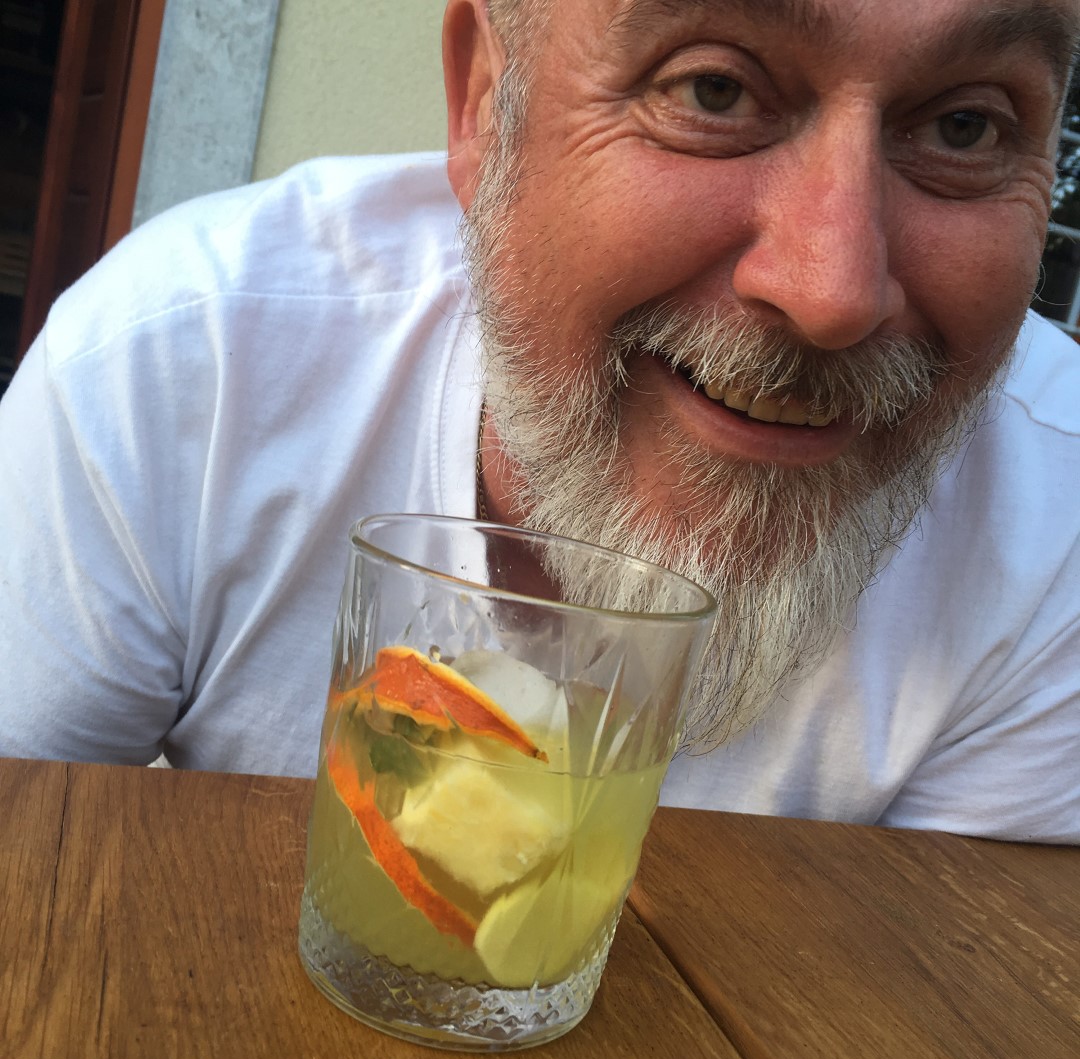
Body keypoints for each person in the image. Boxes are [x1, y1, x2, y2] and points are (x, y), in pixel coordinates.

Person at [1, 0, 1078, 843]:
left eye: (967, 126)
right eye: (712, 90)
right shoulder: (187, 365)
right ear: (485, 100)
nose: (833, 292)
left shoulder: (1057, 517)